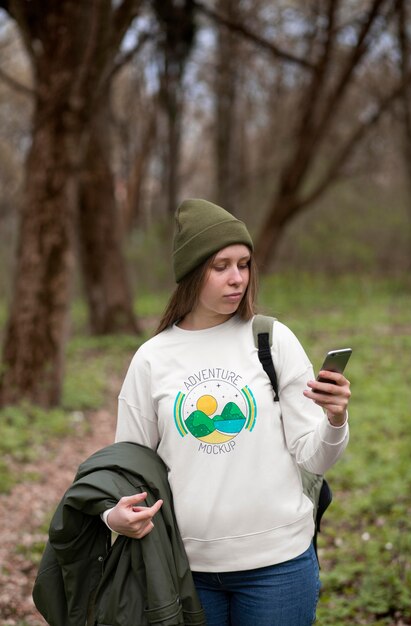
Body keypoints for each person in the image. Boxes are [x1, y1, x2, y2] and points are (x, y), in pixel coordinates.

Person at [103, 198, 351, 626]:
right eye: (221, 266)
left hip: (280, 566)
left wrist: (334, 420)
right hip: (185, 570)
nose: (237, 279)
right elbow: (126, 467)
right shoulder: (152, 359)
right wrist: (114, 515)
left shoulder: (272, 340)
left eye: (244, 264)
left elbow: (315, 457)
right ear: (193, 271)